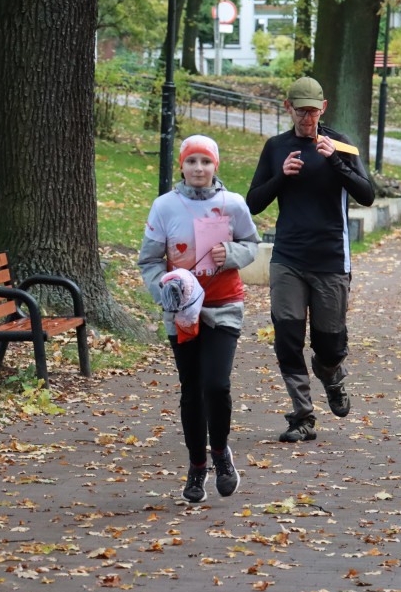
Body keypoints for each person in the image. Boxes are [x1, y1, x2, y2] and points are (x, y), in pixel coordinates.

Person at [246, 77, 375, 443]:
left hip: (331, 258)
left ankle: (331, 373)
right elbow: (252, 202)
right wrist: (280, 178)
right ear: (288, 108)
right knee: (287, 337)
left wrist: (335, 161)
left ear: (324, 108)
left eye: (312, 111)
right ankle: (302, 416)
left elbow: (366, 195)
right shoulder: (276, 148)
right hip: (288, 257)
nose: (306, 117)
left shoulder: (341, 144)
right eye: (300, 110)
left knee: (329, 344)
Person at [138, 134, 260, 503]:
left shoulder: (233, 204)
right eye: (192, 161)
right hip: (182, 311)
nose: (198, 169)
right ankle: (196, 467)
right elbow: (149, 260)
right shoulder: (164, 206)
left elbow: (253, 245)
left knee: (216, 385)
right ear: (182, 166)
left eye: (205, 162)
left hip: (224, 305)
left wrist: (232, 253)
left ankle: (221, 453)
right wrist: (166, 290)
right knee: (192, 390)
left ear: (215, 166)